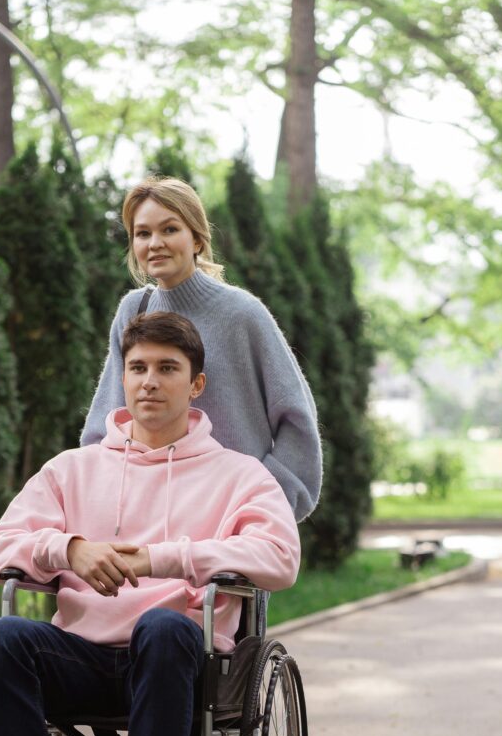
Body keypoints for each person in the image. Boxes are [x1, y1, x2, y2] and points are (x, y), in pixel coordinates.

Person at [0, 312, 300, 736]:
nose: (149, 381)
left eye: (167, 369)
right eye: (137, 368)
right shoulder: (73, 469)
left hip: (176, 663)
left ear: (196, 385)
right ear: (123, 377)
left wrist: (159, 560)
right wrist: (69, 549)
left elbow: (278, 557)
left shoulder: (239, 476)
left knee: (164, 625)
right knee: (0, 637)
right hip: (84, 657)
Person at [80, 175, 322, 522]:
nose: (155, 243)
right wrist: (98, 499)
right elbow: (106, 420)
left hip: (229, 518)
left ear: (196, 238)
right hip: (147, 516)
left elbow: (297, 417)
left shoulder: (243, 314)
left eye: (170, 229)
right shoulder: (134, 310)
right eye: (143, 233)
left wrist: (268, 500)